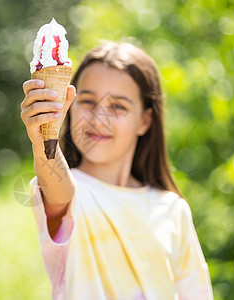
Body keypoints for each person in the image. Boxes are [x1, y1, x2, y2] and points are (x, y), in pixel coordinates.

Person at [20, 41, 213, 300]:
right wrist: (44, 141)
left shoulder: (173, 209)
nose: (100, 117)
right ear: (71, 106)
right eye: (87, 101)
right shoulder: (72, 193)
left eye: (118, 106)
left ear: (144, 121)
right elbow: (59, 188)